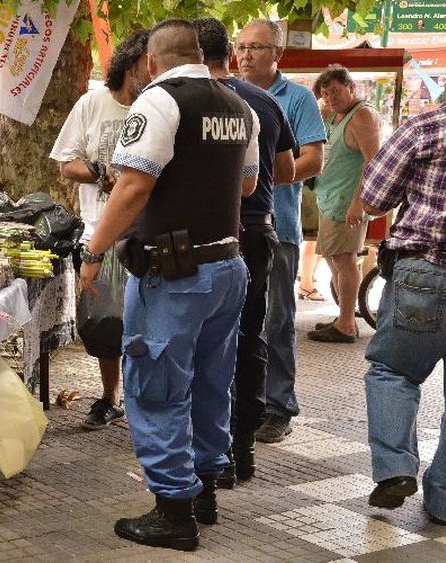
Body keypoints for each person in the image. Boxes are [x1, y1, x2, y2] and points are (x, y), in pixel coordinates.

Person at [79, 19, 259, 551]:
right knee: (209, 379)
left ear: (149, 63)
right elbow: (246, 183)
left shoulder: (160, 102)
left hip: (173, 272)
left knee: (156, 385)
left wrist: (93, 254)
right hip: (227, 266)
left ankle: (174, 511)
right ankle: (205, 488)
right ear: (200, 54)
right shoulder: (238, 106)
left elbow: (134, 185)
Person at [360, 44, 446, 527]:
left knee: (392, 371)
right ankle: (445, 502)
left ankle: (397, 467)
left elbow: (374, 196)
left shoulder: (427, 127)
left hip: (427, 270)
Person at [192, 17, 295, 488]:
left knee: (202, 345)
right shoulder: (264, 103)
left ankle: (209, 457)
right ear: (229, 54)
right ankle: (242, 449)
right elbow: (288, 168)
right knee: (248, 337)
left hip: (206, 237)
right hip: (257, 231)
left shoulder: (179, 102)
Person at [51, 29, 150, 431]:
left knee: (147, 323)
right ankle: (110, 397)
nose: (157, 71)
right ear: (131, 67)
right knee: (105, 324)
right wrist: (98, 171)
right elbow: (65, 161)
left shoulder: (161, 106)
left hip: (149, 233)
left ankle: (145, 401)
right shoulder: (92, 103)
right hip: (100, 232)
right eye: (150, 64)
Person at [236, 19, 325, 444]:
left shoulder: (297, 98)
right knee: (236, 319)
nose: (246, 55)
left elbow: (313, 160)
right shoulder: (228, 94)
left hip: (279, 227)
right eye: (241, 46)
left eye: (256, 47)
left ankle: (279, 405)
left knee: (277, 319)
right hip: (230, 229)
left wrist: (265, 174)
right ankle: (243, 401)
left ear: (278, 53)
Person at [307, 66, 381, 343]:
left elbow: (373, 163)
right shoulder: (335, 115)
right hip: (330, 200)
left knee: (345, 260)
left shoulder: (362, 116)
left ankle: (347, 324)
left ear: (351, 87)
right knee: (335, 261)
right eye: (326, 94)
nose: (330, 98)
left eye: (335, 91)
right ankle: (343, 317)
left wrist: (358, 204)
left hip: (346, 204)